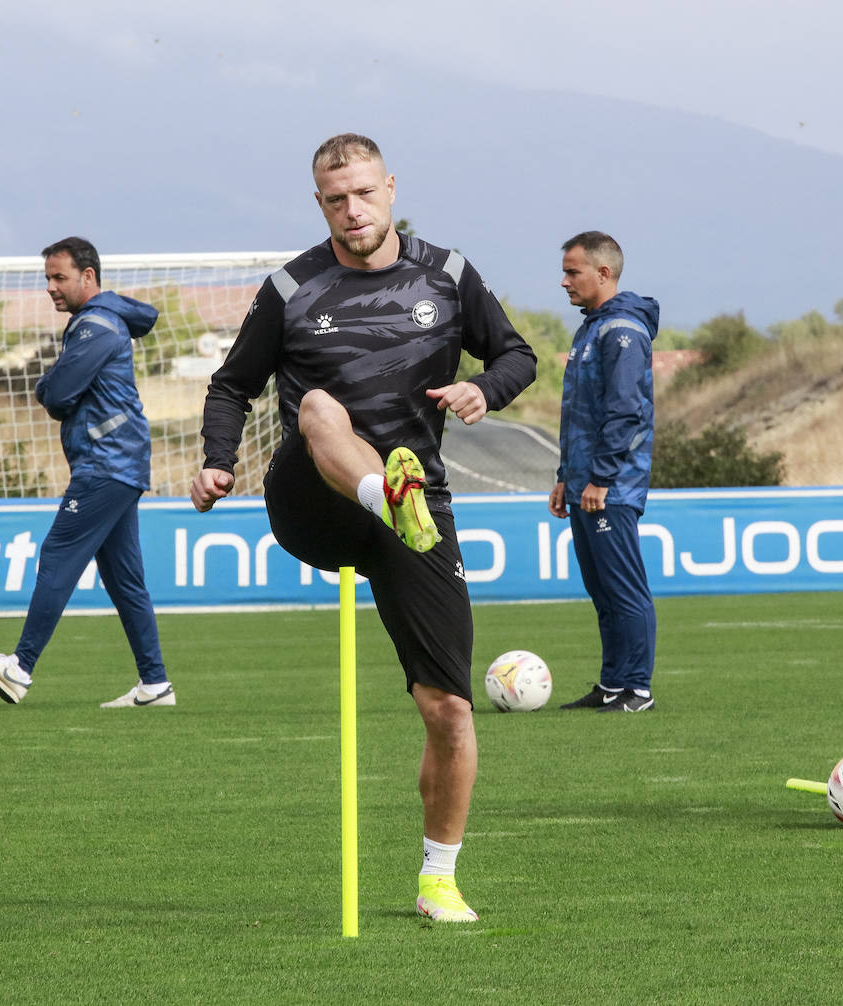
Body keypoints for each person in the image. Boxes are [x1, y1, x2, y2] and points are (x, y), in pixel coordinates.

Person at [190, 134, 535, 923]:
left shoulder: (447, 274)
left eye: (363, 194)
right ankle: (383, 492)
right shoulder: (291, 287)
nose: (352, 210)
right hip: (315, 500)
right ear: (320, 204)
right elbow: (231, 387)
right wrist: (216, 461)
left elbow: (518, 354)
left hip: (421, 510)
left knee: (449, 709)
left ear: (390, 189)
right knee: (315, 407)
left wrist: (487, 389)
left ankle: (438, 879)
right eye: (335, 199)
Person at [0, 237, 175, 709]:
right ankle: (155, 683)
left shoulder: (95, 326)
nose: (51, 288)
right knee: (125, 580)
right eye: (47, 279)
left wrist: (46, 384)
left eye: (59, 278)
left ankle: (19, 668)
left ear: (88, 277)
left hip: (106, 463)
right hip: (119, 462)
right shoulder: (101, 320)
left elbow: (58, 395)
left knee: (58, 552)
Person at [551, 231, 660, 713]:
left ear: (603, 273)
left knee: (623, 587)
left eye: (573, 271)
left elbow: (624, 413)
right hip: (584, 483)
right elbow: (579, 413)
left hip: (609, 488)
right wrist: (564, 476)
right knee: (602, 590)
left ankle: (637, 690)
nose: (564, 281)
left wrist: (600, 479)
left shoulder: (622, 332)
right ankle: (612, 685)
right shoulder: (592, 328)